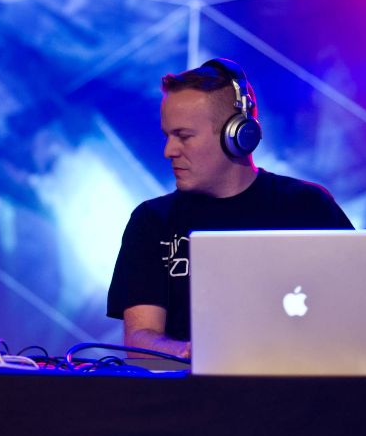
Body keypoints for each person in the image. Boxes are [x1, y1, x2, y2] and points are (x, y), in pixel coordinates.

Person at [106, 58, 353, 359]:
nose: (169, 150)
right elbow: (139, 341)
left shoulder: (307, 206)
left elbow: (360, 307)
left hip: (302, 384)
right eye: (167, 136)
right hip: (191, 389)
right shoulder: (152, 221)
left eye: (183, 136)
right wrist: (193, 354)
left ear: (238, 135)